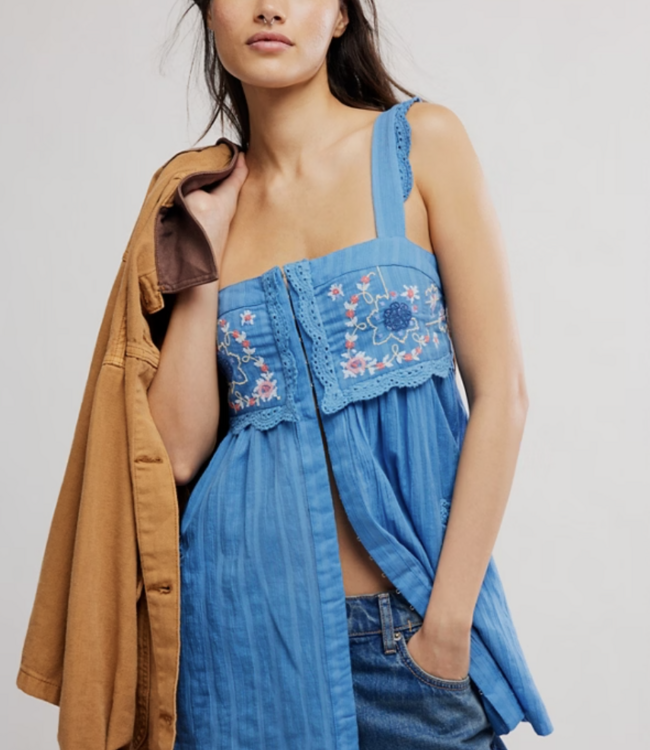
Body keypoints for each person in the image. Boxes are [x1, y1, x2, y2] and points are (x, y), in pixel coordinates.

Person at [147, 1, 553, 748]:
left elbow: (503, 395)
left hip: (412, 637)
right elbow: (176, 451)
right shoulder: (202, 202)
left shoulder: (420, 145)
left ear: (339, 16)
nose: (269, 7)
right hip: (246, 646)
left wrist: (446, 627)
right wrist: (202, 255)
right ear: (208, 17)